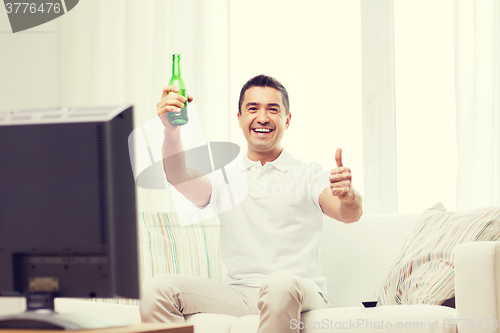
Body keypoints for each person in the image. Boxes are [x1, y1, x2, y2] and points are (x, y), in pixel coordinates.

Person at [139, 75, 363, 333]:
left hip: (299, 292)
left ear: (287, 120)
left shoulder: (309, 174)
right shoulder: (226, 177)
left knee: (279, 284)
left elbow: (348, 214)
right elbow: (178, 176)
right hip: (240, 294)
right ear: (239, 118)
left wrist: (348, 197)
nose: (263, 117)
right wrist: (171, 131)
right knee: (155, 290)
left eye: (273, 109)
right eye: (253, 108)